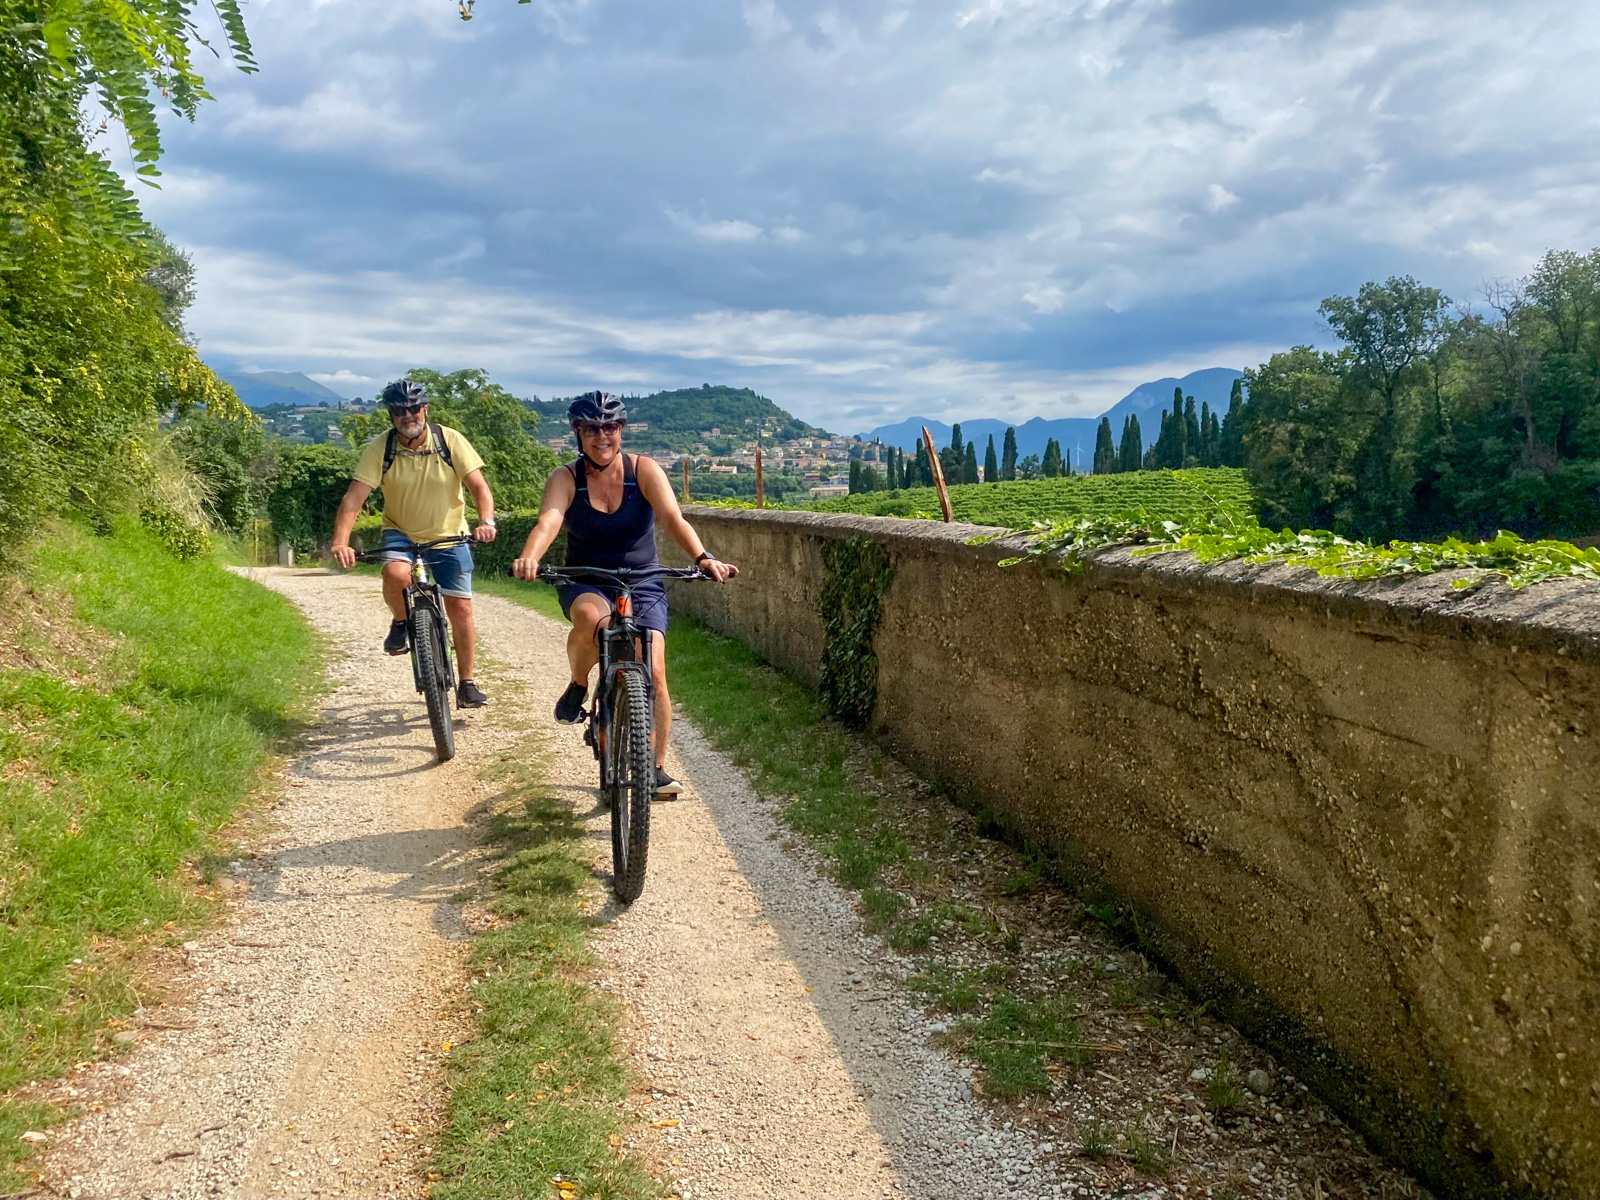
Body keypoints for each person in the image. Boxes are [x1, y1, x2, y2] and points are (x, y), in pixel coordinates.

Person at [510, 392, 737, 795]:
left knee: (655, 669)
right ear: (577, 433)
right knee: (589, 618)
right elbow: (548, 521)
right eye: (592, 429)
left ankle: (655, 767)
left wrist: (704, 558)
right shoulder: (566, 478)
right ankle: (580, 682)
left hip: (643, 579)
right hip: (586, 577)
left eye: (610, 427)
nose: (602, 436)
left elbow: (673, 518)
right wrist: (530, 556)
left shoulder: (643, 470)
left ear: (621, 430)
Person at [330, 379, 498, 708]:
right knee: (395, 574)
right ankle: (401, 621)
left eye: (413, 408)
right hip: (402, 532)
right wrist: (341, 542)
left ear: (425, 409)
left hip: (449, 533)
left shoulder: (449, 440)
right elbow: (353, 499)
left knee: (461, 609)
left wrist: (486, 522)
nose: (407, 416)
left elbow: (479, 488)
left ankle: (467, 682)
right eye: (398, 411)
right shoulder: (382, 447)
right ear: (391, 416)